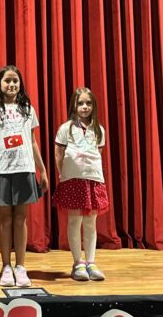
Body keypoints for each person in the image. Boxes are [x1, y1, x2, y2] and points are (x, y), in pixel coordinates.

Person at [0, 65, 48, 288]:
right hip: (0, 170)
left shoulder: (27, 108)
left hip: (24, 168)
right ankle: (6, 266)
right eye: (7, 80)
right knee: (5, 219)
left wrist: (42, 169)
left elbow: (32, 141)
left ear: (20, 84)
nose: (12, 84)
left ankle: (21, 266)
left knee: (20, 219)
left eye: (15, 80)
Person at [52, 87, 109, 281]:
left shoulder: (99, 130)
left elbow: (98, 153)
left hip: (93, 179)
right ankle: (78, 263)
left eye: (88, 103)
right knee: (74, 220)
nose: (85, 107)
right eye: (80, 103)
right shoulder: (66, 128)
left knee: (91, 222)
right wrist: (64, 174)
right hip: (72, 179)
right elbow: (58, 154)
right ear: (74, 106)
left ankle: (91, 262)